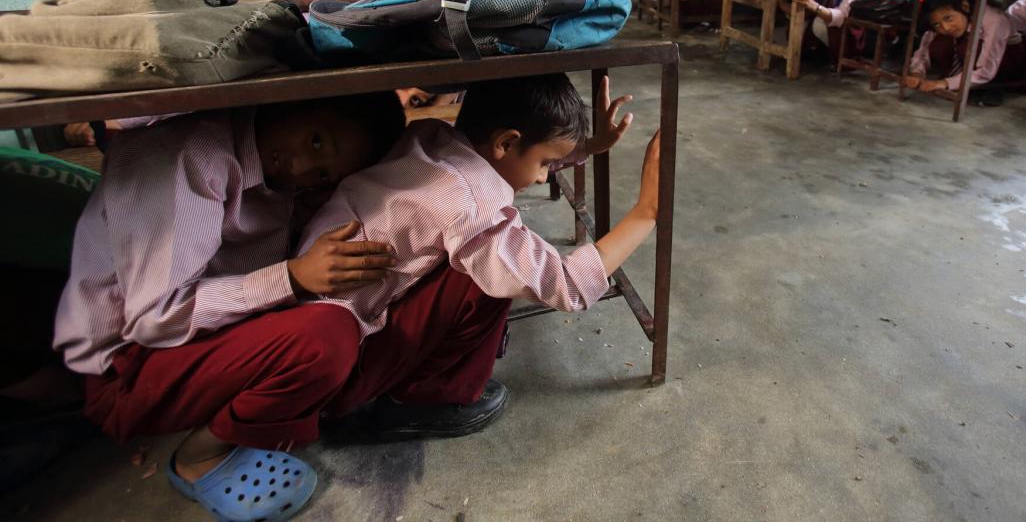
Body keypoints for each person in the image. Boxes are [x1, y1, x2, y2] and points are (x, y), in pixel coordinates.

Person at [54, 92, 406, 522]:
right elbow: (154, 319)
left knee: (363, 313)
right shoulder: (190, 156)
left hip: (195, 341)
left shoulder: (273, 172)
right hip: (127, 368)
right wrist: (292, 276)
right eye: (315, 141)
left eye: (320, 174)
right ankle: (200, 456)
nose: (299, 170)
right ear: (294, 101)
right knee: (324, 335)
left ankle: (269, 407)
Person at [298, 74, 659, 441]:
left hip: (316, 333)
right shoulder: (469, 204)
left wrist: (585, 148)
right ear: (506, 142)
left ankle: (398, 387)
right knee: (493, 275)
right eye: (546, 163)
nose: (540, 179)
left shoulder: (430, 137)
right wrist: (646, 212)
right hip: (343, 375)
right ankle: (421, 398)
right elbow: (563, 285)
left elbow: (515, 162)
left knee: (493, 256)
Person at [904, 0, 1025, 101]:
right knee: (939, 43)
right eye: (937, 24)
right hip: (968, 62)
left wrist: (945, 83)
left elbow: (986, 70)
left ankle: (983, 86)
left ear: (965, 7)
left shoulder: (993, 20)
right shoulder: (943, 27)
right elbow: (923, 50)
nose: (945, 27)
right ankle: (959, 78)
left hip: (1004, 63)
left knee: (968, 47)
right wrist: (917, 74)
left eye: (948, 18)